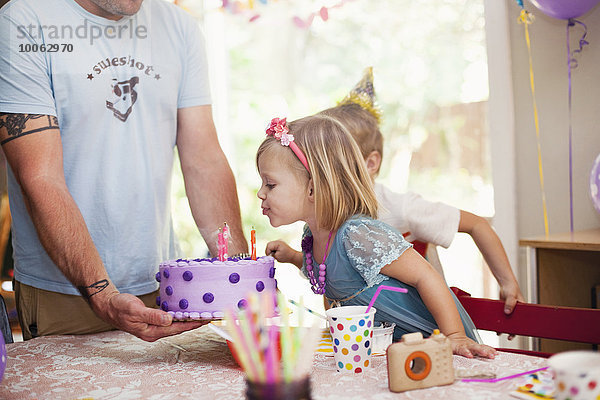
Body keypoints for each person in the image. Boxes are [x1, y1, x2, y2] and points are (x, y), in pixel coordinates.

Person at [0, 0, 247, 341]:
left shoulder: (181, 27)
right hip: (65, 291)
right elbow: (40, 179)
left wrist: (242, 277)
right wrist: (104, 296)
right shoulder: (22, 21)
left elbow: (203, 160)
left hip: (165, 287)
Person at [272, 68, 525, 315]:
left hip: (417, 328)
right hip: (365, 338)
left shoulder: (400, 207)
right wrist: (296, 257)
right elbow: (336, 268)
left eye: (333, 157)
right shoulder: (322, 211)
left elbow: (477, 224)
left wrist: (507, 282)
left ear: (370, 163)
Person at [257, 114, 497, 358]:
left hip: (430, 348)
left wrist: (453, 336)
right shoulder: (312, 236)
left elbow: (426, 276)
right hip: (386, 353)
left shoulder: (357, 235)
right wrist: (295, 257)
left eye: (270, 184)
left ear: (313, 187)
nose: (260, 193)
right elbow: (333, 272)